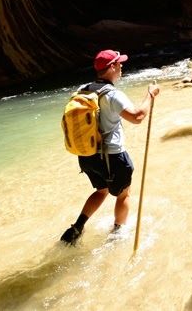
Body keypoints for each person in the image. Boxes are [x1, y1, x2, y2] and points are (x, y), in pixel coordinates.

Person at [60, 49, 159, 245]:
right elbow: (137, 116)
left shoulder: (84, 89)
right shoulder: (113, 94)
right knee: (124, 195)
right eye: (119, 63)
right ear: (112, 67)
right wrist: (150, 95)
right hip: (113, 156)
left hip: (87, 156)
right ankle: (117, 234)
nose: (122, 66)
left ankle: (77, 228)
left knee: (101, 190)